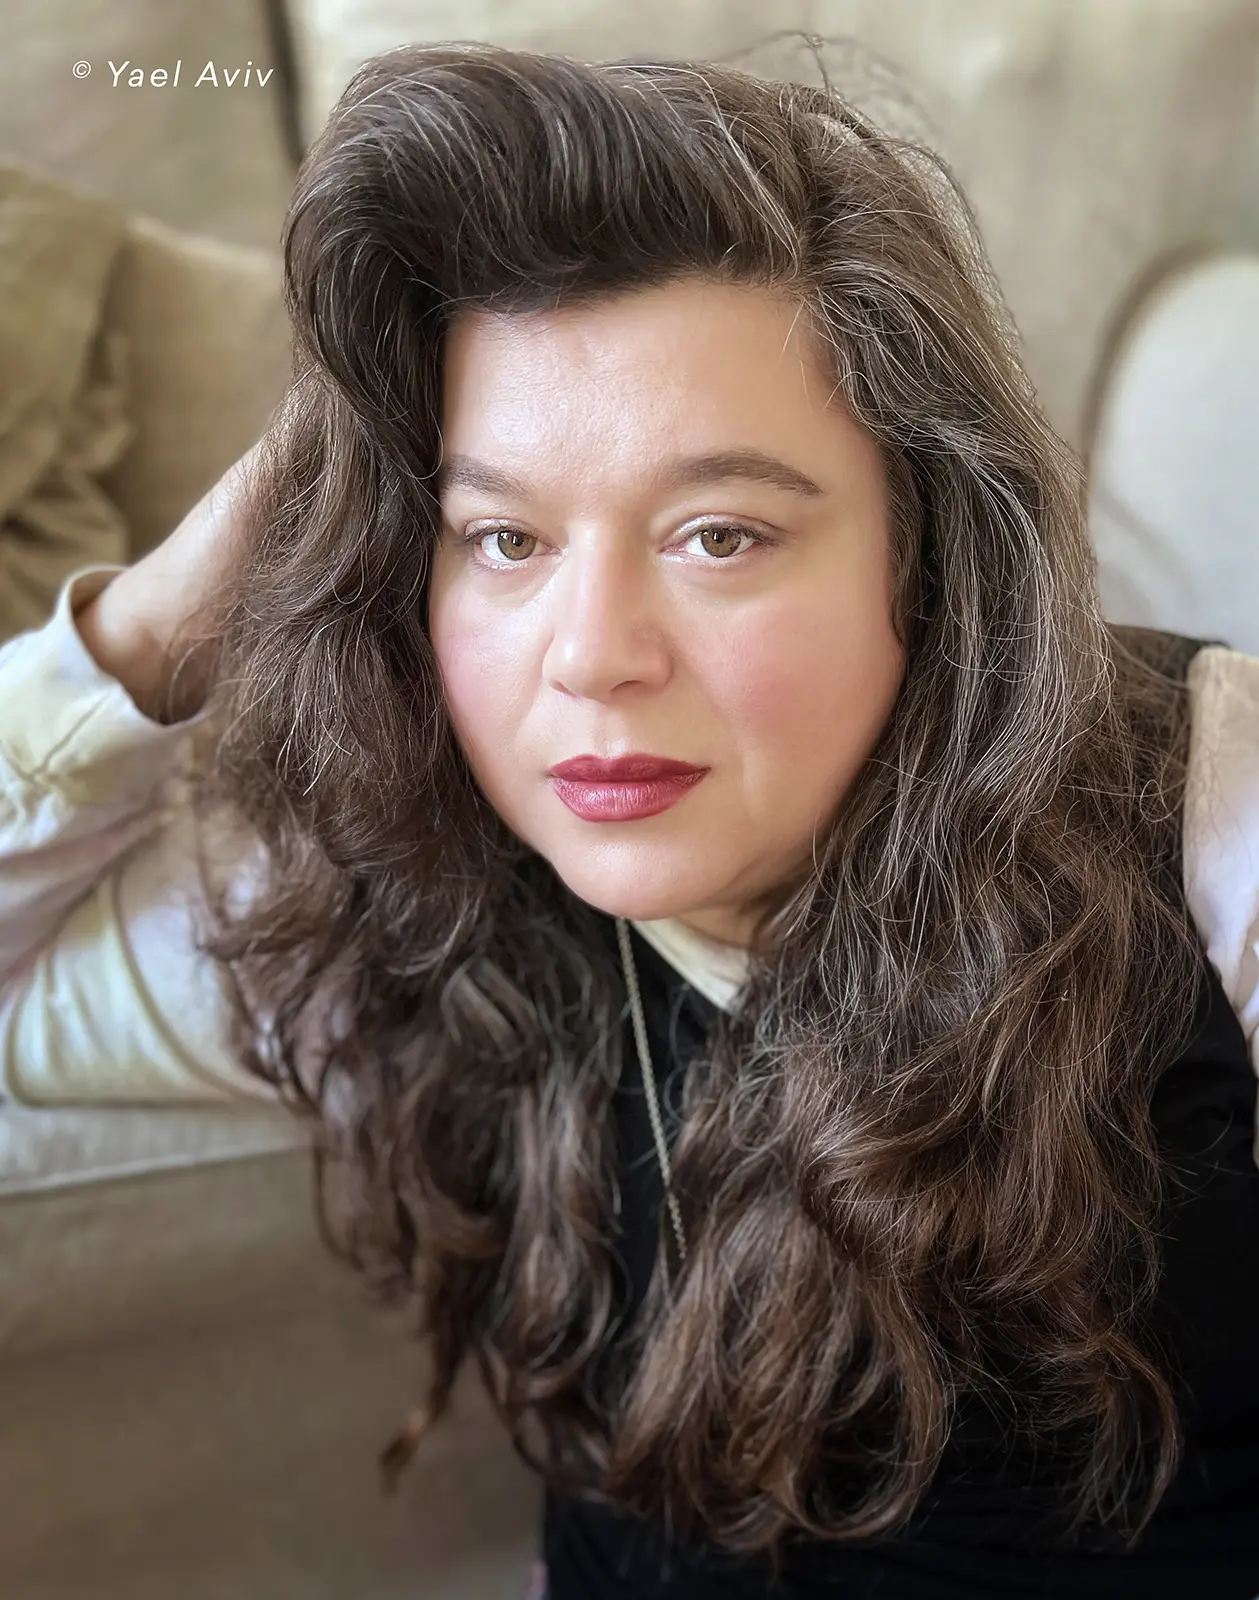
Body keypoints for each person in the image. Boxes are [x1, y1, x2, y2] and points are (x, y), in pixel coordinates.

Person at [2, 41, 1258, 1600]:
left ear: (924, 553)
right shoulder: (411, 893)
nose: (593, 656)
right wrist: (168, 611)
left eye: (717, 534)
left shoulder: (1200, 792)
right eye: (504, 538)